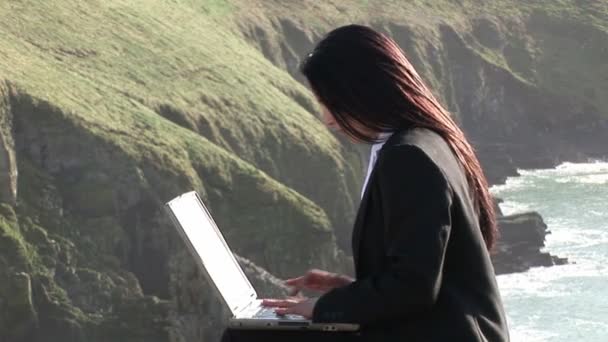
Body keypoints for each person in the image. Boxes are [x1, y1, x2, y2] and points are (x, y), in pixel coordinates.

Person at [222, 24, 510, 341]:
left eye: (329, 103)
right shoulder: (428, 141)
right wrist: (347, 289)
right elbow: (420, 273)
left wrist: (322, 309)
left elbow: (414, 287)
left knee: (246, 337)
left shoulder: (408, 157)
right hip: (441, 328)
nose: (327, 119)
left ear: (360, 92)